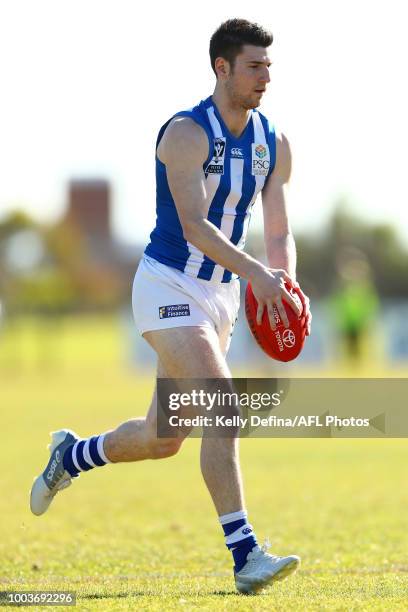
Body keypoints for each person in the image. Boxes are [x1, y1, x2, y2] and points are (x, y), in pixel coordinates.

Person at [30, 18, 311, 595]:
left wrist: (284, 279)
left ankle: (72, 456)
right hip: (168, 287)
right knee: (225, 407)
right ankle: (246, 556)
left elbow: (279, 230)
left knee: (164, 437)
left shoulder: (273, 143)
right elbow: (195, 226)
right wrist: (257, 271)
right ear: (222, 68)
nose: (265, 78)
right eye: (254, 67)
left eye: (269, 67)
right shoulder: (186, 133)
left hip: (221, 298)